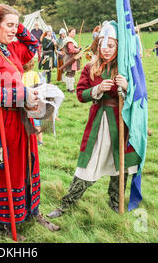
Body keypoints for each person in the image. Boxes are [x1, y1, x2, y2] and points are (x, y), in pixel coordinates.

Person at [0, 4, 59, 239]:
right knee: (5, 170)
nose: (14, 30)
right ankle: (4, 225)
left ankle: (30, 211)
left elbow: (32, 46)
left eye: (16, 26)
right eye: (9, 25)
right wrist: (21, 95)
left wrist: (19, 26)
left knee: (27, 166)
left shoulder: (8, 49)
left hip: (20, 120)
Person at [47, 21, 142, 218]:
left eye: (111, 45)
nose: (106, 49)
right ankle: (67, 203)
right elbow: (81, 94)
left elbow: (141, 96)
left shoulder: (126, 68)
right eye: (103, 45)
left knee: (120, 165)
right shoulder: (91, 67)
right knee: (87, 164)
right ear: (97, 45)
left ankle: (116, 204)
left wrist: (126, 87)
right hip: (99, 123)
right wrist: (97, 89)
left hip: (121, 123)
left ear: (118, 46)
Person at [22, 58, 43, 145]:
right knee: (36, 122)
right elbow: (38, 87)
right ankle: (40, 141)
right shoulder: (34, 74)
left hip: (24, 100)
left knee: (26, 121)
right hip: (33, 100)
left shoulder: (20, 74)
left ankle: (29, 140)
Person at [61, 28, 82, 93]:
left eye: (74, 32)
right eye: (72, 32)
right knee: (71, 73)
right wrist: (78, 50)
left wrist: (77, 48)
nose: (74, 34)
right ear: (69, 33)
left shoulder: (68, 40)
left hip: (68, 58)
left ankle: (68, 88)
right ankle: (71, 89)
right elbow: (71, 50)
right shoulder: (69, 41)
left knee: (68, 73)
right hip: (71, 58)